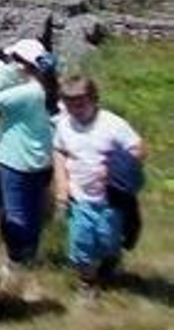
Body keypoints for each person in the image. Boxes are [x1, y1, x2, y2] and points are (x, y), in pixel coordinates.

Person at [52, 75, 147, 295]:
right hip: (80, 197)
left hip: (110, 198)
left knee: (108, 241)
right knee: (81, 244)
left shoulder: (112, 124)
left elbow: (139, 149)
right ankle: (87, 283)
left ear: (94, 99)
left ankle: (109, 262)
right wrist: (61, 186)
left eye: (81, 103)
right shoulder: (64, 126)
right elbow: (59, 151)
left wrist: (116, 167)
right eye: (70, 104)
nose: (76, 109)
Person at [0, 38, 59, 286]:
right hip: (41, 160)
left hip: (15, 159)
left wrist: (6, 71)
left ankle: (15, 261)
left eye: (13, 59)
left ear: (23, 64)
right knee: (34, 211)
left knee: (15, 213)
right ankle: (30, 254)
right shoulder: (46, 90)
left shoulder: (27, 93)